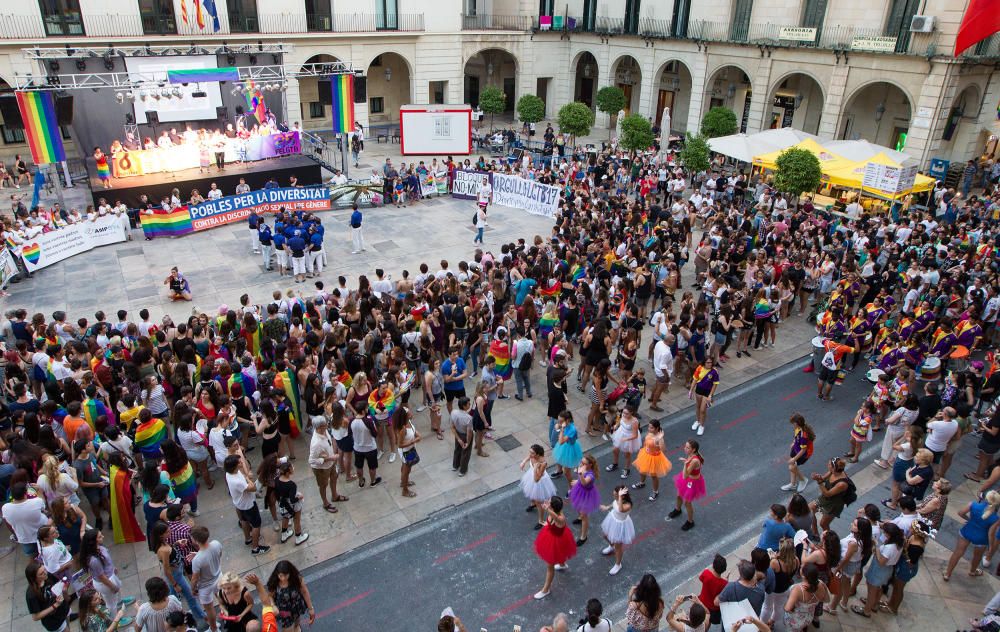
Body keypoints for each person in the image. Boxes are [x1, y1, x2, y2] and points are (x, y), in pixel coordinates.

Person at [943, 490, 1000, 580]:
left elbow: (960, 513)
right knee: (977, 556)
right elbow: (991, 533)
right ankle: (972, 571)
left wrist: (969, 519)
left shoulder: (973, 504)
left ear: (985, 498)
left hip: (967, 531)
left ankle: (947, 573)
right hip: (981, 538)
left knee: (958, 552)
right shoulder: (996, 518)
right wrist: (991, 547)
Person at [223, 454, 271, 555]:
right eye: (239, 462)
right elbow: (253, 488)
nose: (241, 462)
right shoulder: (237, 481)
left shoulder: (229, 474)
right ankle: (255, 548)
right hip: (248, 505)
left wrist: (245, 477)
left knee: (244, 520)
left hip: (239, 504)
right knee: (256, 524)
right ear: (234, 466)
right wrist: (248, 479)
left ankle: (248, 539)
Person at [533, 495, 578, 599]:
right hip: (554, 536)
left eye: (549, 502)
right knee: (560, 554)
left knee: (550, 567)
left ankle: (546, 589)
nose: (547, 501)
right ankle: (562, 564)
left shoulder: (560, 518)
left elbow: (556, 518)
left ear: (553, 508)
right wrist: (548, 522)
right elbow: (552, 517)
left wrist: (547, 509)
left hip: (556, 541)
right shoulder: (556, 511)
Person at [308, 414, 347, 514]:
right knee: (323, 485)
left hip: (331, 463)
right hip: (321, 468)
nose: (327, 425)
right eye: (325, 424)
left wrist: (332, 455)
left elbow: (330, 442)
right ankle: (325, 503)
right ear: (319, 427)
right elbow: (312, 461)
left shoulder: (325, 431)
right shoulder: (316, 443)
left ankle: (335, 496)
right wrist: (330, 458)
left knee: (334, 477)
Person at [79, 529, 122, 613]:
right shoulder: (93, 560)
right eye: (100, 536)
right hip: (106, 582)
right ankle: (116, 619)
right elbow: (102, 577)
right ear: (93, 541)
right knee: (111, 603)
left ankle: (120, 604)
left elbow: (106, 561)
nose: (103, 536)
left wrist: (113, 568)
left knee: (115, 597)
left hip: (110, 576)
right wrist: (113, 586)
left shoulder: (99, 548)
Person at [25, 560, 74, 632]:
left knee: (68, 627)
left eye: (45, 569)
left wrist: (64, 590)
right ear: (34, 578)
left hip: (64, 609)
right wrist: (55, 606)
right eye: (41, 573)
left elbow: (58, 587)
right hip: (53, 621)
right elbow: (35, 617)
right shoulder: (31, 594)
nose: (45, 573)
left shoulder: (48, 576)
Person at [190, 525, 222, 632]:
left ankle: (214, 629)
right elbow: (218, 555)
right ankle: (227, 616)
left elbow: (195, 579)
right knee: (222, 599)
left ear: (195, 540)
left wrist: (193, 589)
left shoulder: (197, 560)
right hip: (218, 577)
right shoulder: (216, 544)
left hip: (205, 587)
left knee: (209, 609)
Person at [266, 560, 315, 631]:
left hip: (296, 607)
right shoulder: (275, 582)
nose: (283, 578)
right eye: (280, 576)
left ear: (290, 573)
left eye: (285, 576)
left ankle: (297, 628)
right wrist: (273, 606)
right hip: (283, 611)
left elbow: (304, 592)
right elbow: (269, 596)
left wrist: (311, 608)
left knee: (296, 623)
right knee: (288, 629)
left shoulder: (297, 579)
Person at [631, 419, 672, 502]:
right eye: (649, 427)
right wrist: (643, 449)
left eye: (651, 428)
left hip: (654, 458)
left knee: (654, 476)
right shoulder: (650, 433)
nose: (649, 429)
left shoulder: (660, 438)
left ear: (657, 428)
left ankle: (655, 491)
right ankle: (642, 483)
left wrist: (659, 439)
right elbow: (646, 441)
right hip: (645, 454)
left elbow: (664, 450)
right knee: (642, 470)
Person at [669, 439, 705, 531]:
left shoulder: (694, 461)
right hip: (688, 479)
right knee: (679, 495)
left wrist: (685, 464)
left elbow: (685, 475)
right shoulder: (692, 455)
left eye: (687, 447)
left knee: (687, 503)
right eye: (685, 446)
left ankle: (690, 521)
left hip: (692, 482)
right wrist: (686, 460)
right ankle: (678, 509)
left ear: (693, 450)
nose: (685, 448)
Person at [520, 444, 558, 528]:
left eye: (532, 453)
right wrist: (523, 462)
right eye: (530, 452)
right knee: (530, 492)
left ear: (537, 454)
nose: (530, 454)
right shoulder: (532, 455)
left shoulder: (543, 463)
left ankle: (541, 521)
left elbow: (537, 479)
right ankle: (532, 503)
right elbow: (529, 456)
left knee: (539, 503)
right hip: (531, 476)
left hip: (539, 481)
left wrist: (535, 468)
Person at [600, 486, 635, 576]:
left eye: (616, 495)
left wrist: (619, 496)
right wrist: (607, 507)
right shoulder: (617, 499)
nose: (614, 496)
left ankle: (618, 564)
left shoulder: (628, 505)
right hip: (613, 519)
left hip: (620, 525)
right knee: (605, 535)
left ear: (622, 496)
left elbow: (620, 509)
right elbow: (614, 503)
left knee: (618, 547)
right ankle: (611, 546)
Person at [274, 460, 309, 545]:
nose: (293, 468)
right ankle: (298, 537)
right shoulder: (291, 484)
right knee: (296, 520)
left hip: (283, 504)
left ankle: (284, 534)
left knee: (285, 518)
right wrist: (299, 497)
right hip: (292, 505)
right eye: (292, 468)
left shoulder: (276, 479)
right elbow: (292, 499)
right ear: (288, 472)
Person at [568, 454, 600, 546]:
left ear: (590, 465)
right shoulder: (583, 467)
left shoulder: (591, 475)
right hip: (579, 490)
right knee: (578, 506)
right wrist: (578, 480)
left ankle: (583, 536)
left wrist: (580, 474)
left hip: (586, 495)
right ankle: (579, 517)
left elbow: (585, 482)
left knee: (584, 515)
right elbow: (581, 480)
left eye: (584, 463)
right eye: (581, 462)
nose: (581, 464)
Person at [782, 414, 814, 493]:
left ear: (796, 423)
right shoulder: (798, 429)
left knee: (792, 467)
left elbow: (803, 450)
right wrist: (794, 442)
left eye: (793, 423)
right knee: (792, 466)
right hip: (796, 449)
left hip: (803, 454)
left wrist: (794, 459)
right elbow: (796, 437)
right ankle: (793, 484)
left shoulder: (804, 435)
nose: (792, 425)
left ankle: (803, 480)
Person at [688, 358, 719, 435]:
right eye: (708, 363)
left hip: (707, 392)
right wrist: (691, 390)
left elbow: (715, 384)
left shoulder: (714, 371)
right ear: (704, 363)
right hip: (699, 390)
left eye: (711, 362)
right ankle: (698, 421)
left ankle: (701, 426)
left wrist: (710, 395)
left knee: (702, 410)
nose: (710, 364)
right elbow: (695, 380)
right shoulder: (699, 368)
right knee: (698, 407)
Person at [450, 396, 474, 477]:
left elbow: (452, 427)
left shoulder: (453, 412)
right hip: (465, 435)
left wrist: (458, 439)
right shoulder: (469, 418)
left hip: (458, 434)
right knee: (466, 453)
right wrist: (467, 442)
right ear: (464, 406)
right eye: (468, 404)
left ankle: (455, 465)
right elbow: (469, 432)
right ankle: (463, 470)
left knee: (457, 449)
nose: (470, 405)